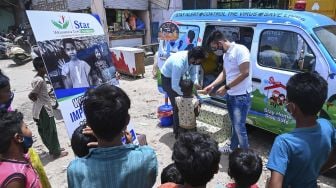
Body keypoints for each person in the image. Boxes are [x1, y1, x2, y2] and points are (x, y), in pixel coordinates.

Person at [67, 84, 158, 188]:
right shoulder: (147, 157)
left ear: (88, 124)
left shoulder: (75, 170)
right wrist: (131, 145)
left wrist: (102, 139)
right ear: (127, 120)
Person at [266, 72, 336, 188]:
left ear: (292, 107)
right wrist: (318, 171)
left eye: (287, 101)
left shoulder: (283, 143)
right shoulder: (327, 126)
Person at [204, 30, 252, 154]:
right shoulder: (226, 55)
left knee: (239, 127)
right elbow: (225, 73)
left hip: (241, 96)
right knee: (234, 125)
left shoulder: (240, 50)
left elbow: (245, 72)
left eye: (215, 48)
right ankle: (232, 147)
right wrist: (212, 85)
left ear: (220, 42)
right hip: (231, 96)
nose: (215, 51)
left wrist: (226, 87)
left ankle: (246, 155)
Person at [160, 47, 206, 138]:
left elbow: (193, 73)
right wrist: (187, 95)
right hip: (167, 79)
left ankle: (183, 127)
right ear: (193, 58)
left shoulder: (192, 60)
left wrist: (195, 83)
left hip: (176, 78)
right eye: (199, 61)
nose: (198, 63)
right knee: (177, 106)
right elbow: (174, 86)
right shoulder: (179, 63)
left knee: (184, 102)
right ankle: (178, 133)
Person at [29, 57, 68, 158]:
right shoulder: (40, 80)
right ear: (39, 67)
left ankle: (54, 148)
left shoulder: (37, 78)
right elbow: (32, 95)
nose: (47, 69)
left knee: (46, 130)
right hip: (44, 109)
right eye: (45, 67)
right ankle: (56, 152)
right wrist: (40, 100)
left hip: (41, 108)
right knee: (51, 131)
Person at [0, 110, 42, 188]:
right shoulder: (15, 178)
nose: (30, 131)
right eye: (26, 127)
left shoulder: (22, 159)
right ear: (18, 138)